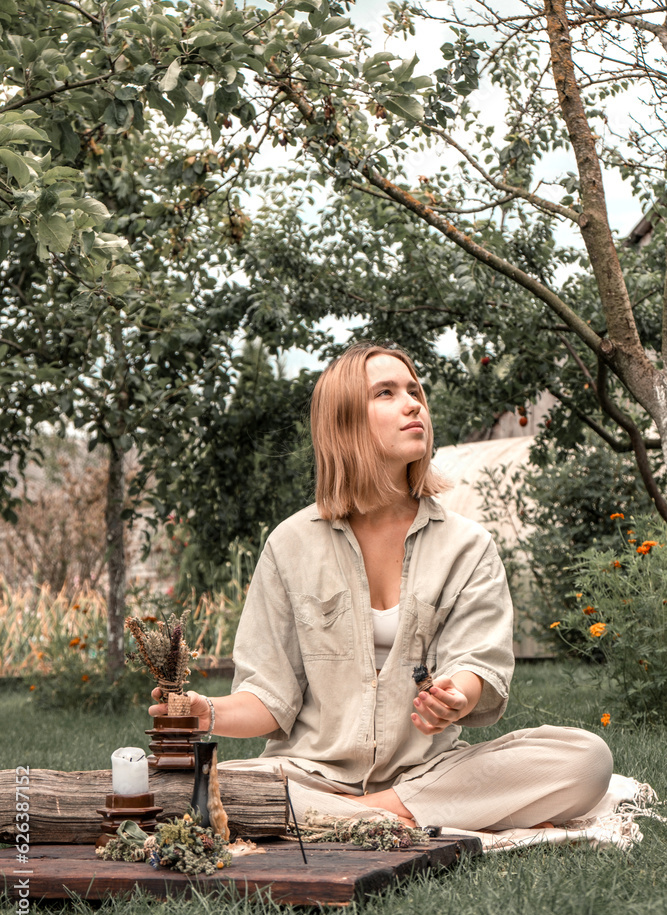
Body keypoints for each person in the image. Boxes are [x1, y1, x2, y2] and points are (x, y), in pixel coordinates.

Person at [149, 341, 613, 832]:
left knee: (586, 760)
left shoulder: (468, 546)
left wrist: (455, 697)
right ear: (344, 420)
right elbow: (269, 697)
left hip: (428, 773)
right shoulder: (289, 545)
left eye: (415, 391)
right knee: (183, 787)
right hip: (307, 774)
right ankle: (386, 817)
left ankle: (357, 815)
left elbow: (476, 663)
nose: (413, 404)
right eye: (386, 393)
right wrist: (206, 712)